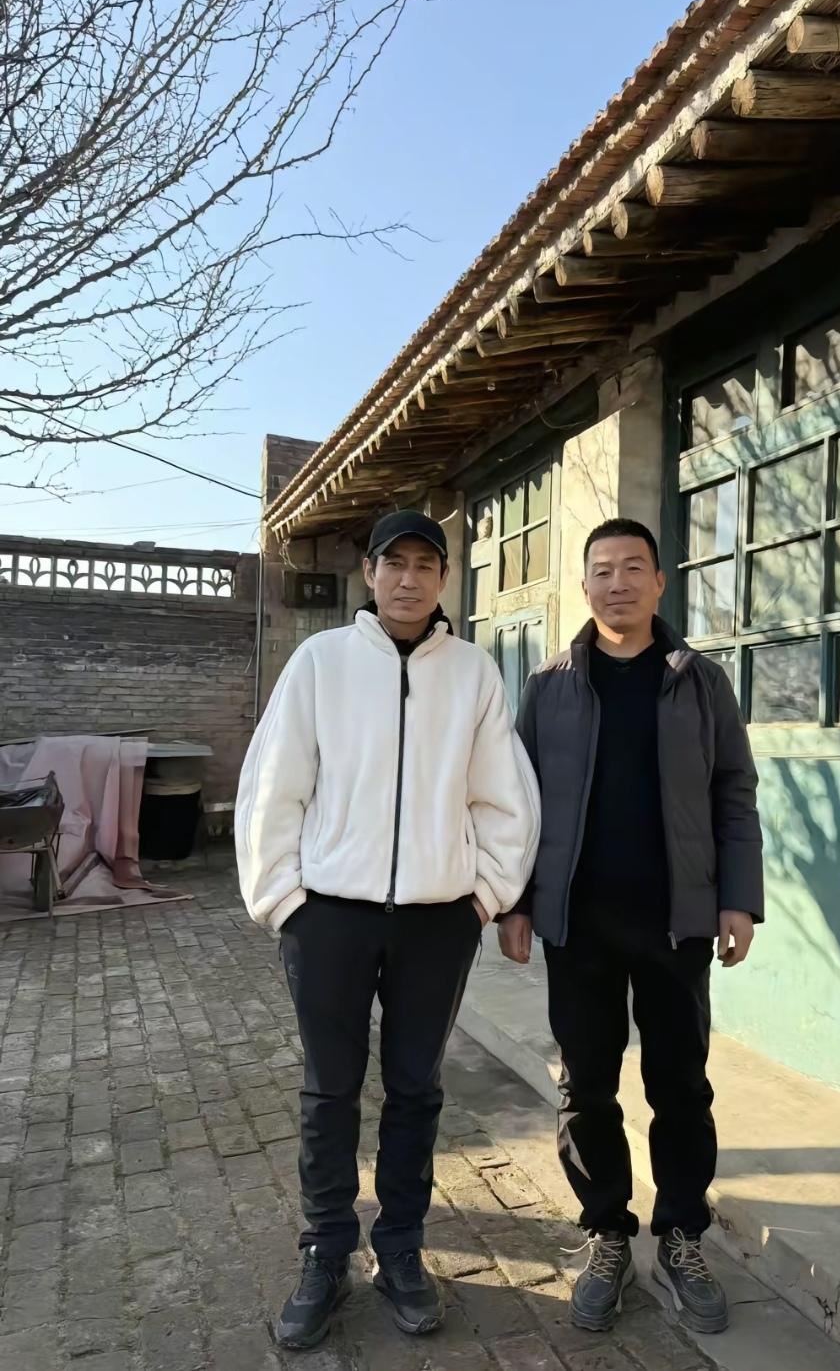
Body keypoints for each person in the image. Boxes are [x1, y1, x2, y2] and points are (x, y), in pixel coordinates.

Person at [236, 510, 540, 1351]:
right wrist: (283, 899)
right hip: (329, 917)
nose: (409, 579)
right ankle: (325, 1251)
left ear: (444, 579)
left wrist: (484, 895)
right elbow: (275, 784)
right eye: (393, 563)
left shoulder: (473, 673)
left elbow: (503, 795)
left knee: (415, 1089)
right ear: (369, 574)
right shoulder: (321, 662)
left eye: (425, 565)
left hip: (438, 922)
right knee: (329, 1089)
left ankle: (401, 1249)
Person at [498, 517, 763, 1336]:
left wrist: (738, 898)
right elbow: (518, 805)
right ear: (584, 586)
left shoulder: (700, 681)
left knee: (680, 1085)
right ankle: (607, 1233)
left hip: (677, 921)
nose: (618, 582)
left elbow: (734, 792)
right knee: (586, 1087)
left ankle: (681, 1237)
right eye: (603, 569)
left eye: (633, 568)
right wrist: (516, 903)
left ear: (659, 582)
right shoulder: (549, 686)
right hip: (577, 922)